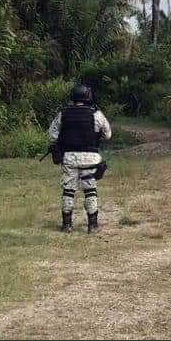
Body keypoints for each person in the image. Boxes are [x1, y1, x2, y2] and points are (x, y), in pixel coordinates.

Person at [48, 85, 111, 233]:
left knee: (68, 190)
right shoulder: (96, 114)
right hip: (91, 157)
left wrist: (58, 146)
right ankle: (93, 225)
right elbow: (107, 134)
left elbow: (52, 136)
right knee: (90, 190)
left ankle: (66, 224)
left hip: (69, 157)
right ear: (88, 97)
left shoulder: (63, 113)